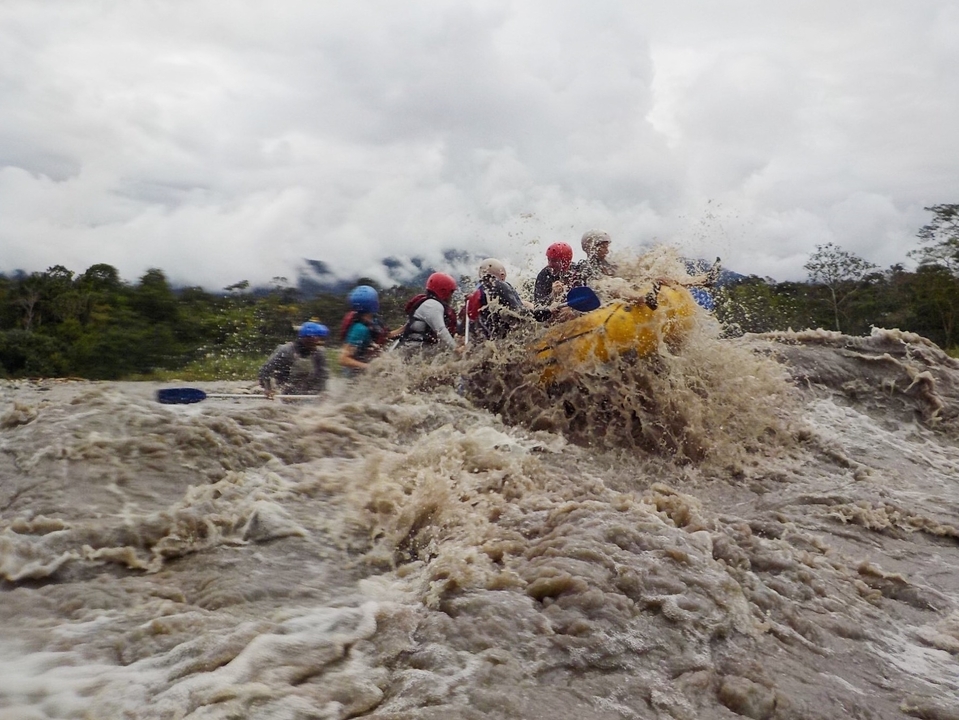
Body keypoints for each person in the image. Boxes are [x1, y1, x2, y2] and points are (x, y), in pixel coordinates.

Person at [466, 258, 545, 341]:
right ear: (502, 274)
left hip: (489, 341)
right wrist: (547, 312)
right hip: (507, 339)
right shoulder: (499, 285)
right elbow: (521, 313)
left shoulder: (479, 292)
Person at [259, 321, 329, 398]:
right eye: (315, 339)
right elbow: (265, 370)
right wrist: (268, 389)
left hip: (310, 393)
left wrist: (322, 392)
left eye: (319, 338)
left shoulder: (319, 353)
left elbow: (323, 376)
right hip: (285, 390)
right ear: (306, 338)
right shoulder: (286, 350)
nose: (317, 342)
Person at [394, 272, 459, 351]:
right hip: (416, 352)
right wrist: (457, 349)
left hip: (414, 350)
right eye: (451, 292)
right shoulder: (433, 305)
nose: (451, 296)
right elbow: (441, 330)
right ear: (444, 291)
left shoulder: (427, 303)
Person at [339, 285, 381, 376]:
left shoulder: (369, 323)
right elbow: (343, 359)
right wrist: (369, 367)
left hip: (358, 374)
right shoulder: (359, 329)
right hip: (352, 379)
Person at [533, 242, 574, 306]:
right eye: (548, 260)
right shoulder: (544, 275)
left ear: (564, 262)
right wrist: (552, 295)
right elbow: (538, 304)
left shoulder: (576, 272)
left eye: (554, 261)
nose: (550, 264)